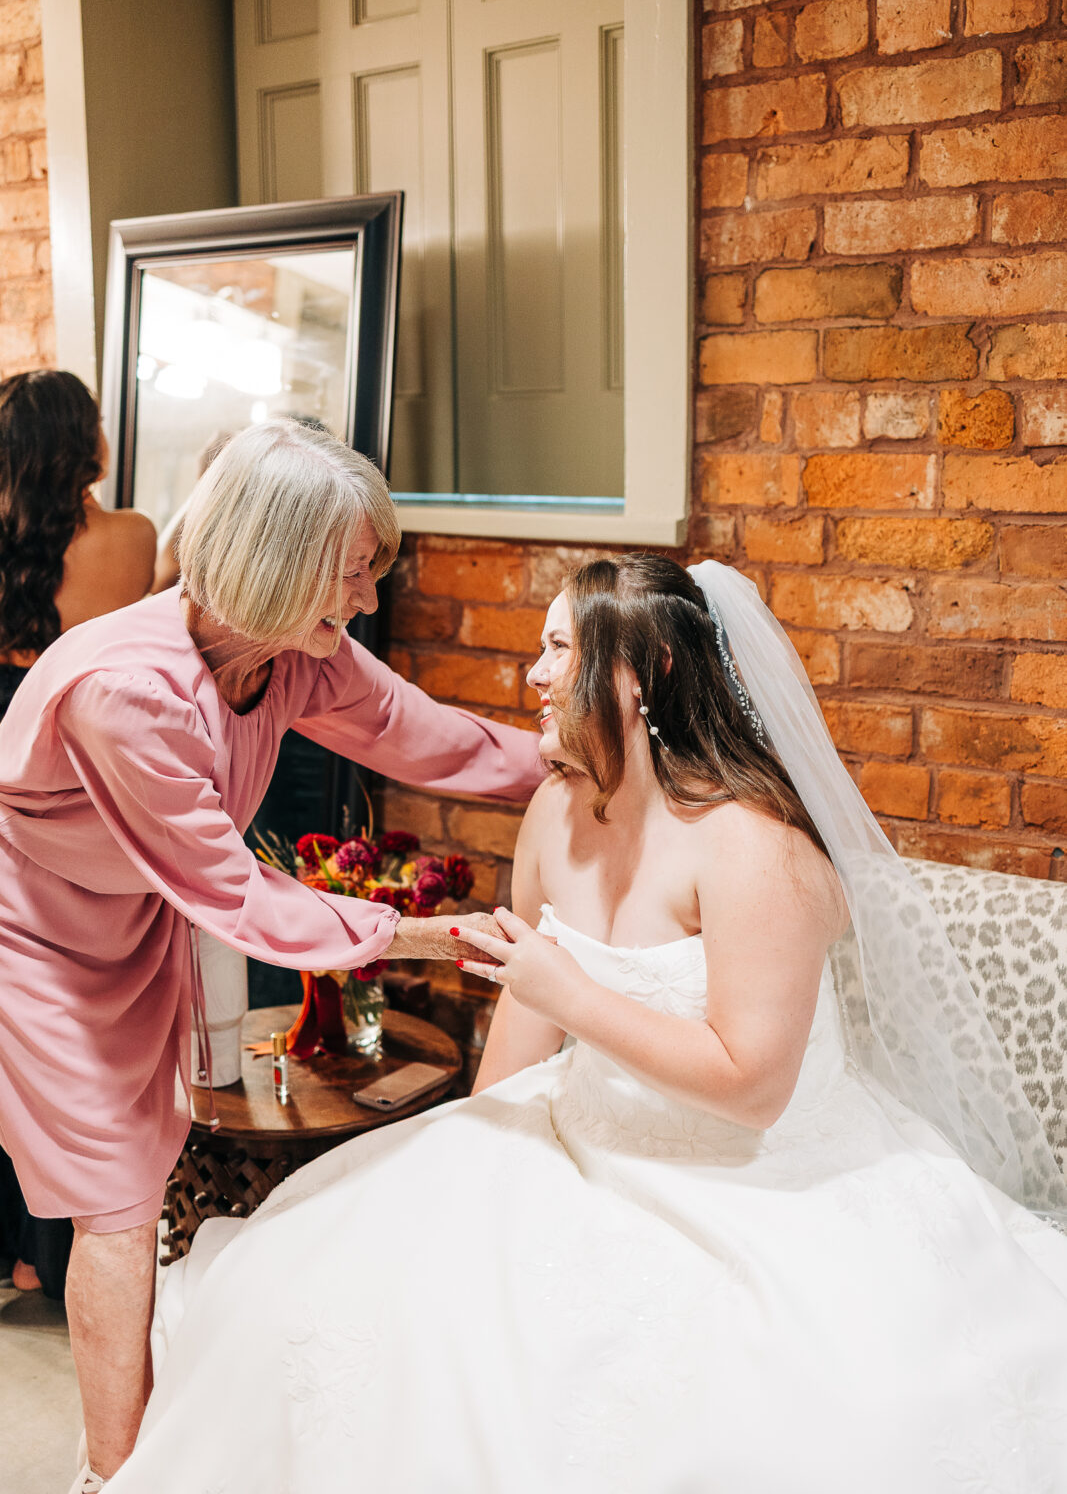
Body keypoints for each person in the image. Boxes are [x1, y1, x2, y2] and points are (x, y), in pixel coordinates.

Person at [105, 555, 1067, 1494]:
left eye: (559, 646)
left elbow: (751, 1084)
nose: (532, 672)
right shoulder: (558, 807)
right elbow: (527, 1005)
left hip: (754, 1176)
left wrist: (566, 994)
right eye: (538, 645)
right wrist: (460, 1162)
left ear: (644, 672)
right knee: (313, 1290)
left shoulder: (754, 848)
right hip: (578, 1131)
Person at [0, 419, 543, 1493]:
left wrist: (572, 762)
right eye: (351, 574)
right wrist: (427, 937)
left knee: (147, 1176)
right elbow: (233, 891)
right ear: (278, 562)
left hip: (136, 915)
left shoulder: (299, 657)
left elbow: (423, 734)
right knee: (115, 1197)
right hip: (36, 930)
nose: (367, 602)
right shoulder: (126, 692)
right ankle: (116, 1475)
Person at [0, 369, 155, 1301]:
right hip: (79, 785)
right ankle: (55, 1251)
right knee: (78, 1019)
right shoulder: (133, 539)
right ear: (87, 442)